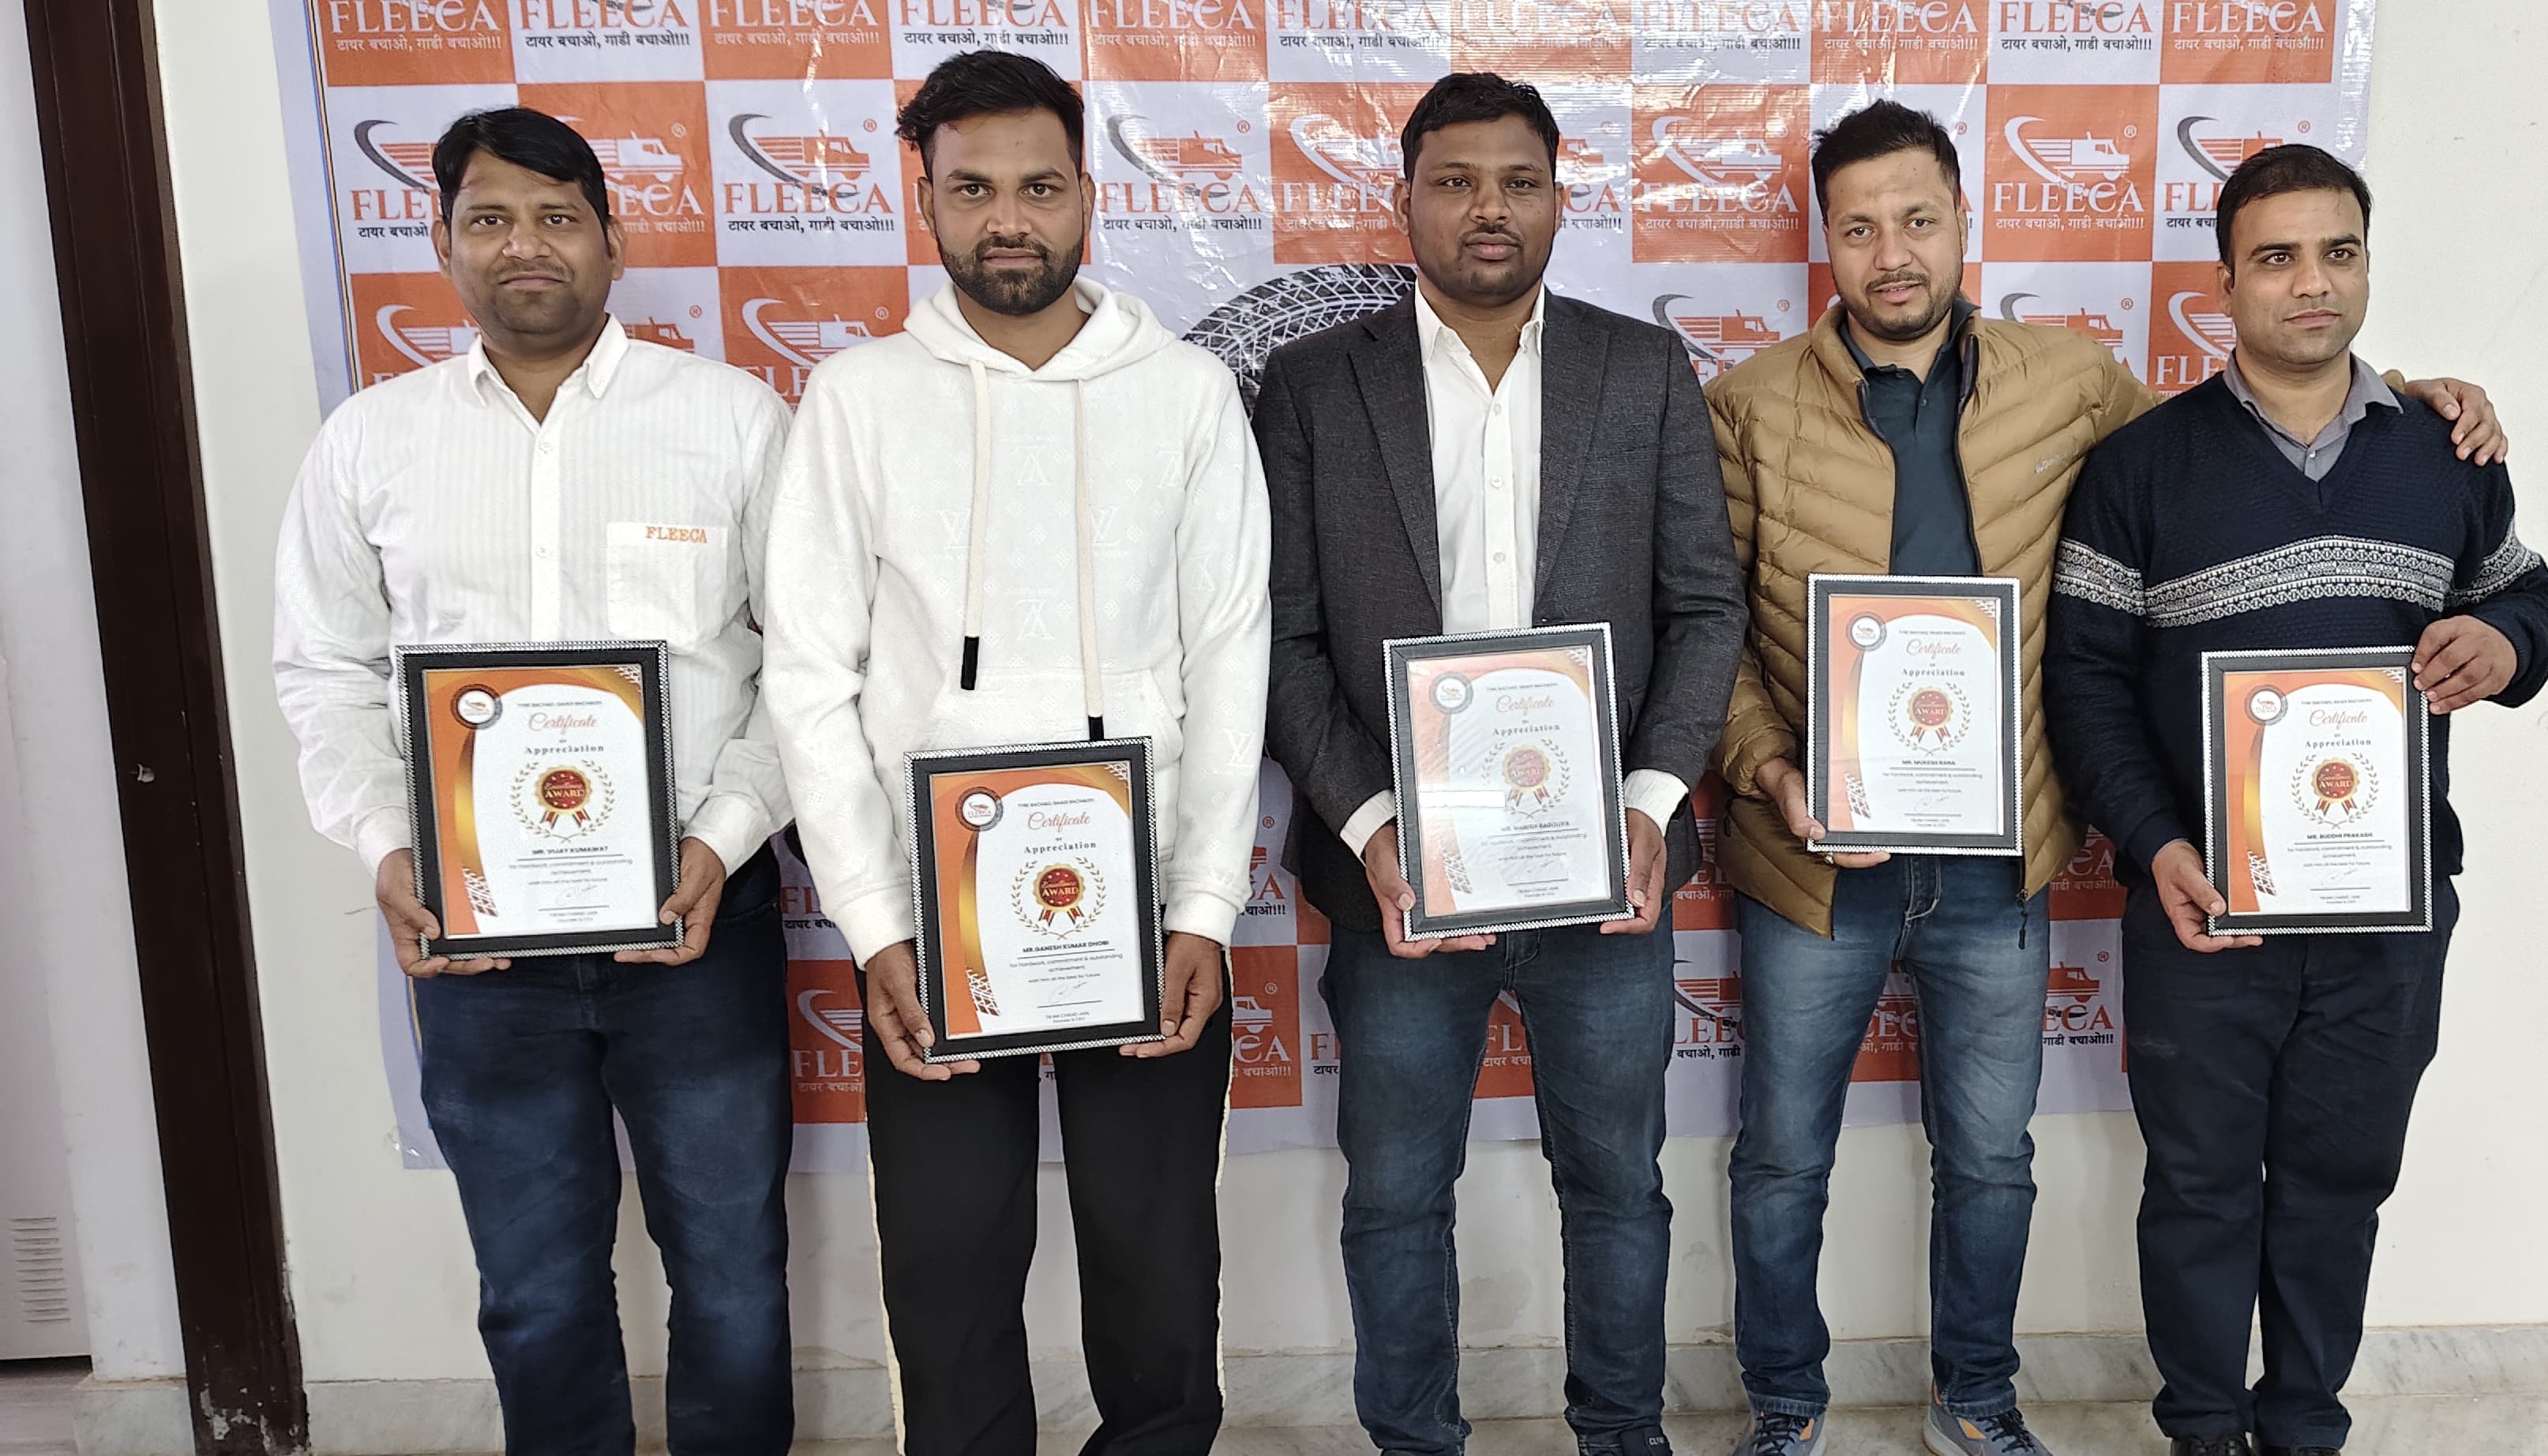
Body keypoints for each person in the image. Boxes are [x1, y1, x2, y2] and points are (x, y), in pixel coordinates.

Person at [1703, 103, 2512, 1456]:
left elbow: (2258, 425)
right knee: (1783, 1158)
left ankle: (1976, 1401)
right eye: (1860, 227)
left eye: (1919, 220)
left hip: (2004, 857)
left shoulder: (2076, 385)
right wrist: (1769, 767)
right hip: (1811, 860)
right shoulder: (1745, 405)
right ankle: (1786, 1407)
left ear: (1964, 224)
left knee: (1992, 1160)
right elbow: (1709, 626)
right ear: (1825, 243)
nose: (1893, 253)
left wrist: (2416, 398)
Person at [758, 49, 1268, 1456]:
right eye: (972, 189)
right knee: (947, 1266)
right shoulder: (857, 398)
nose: (1009, 220)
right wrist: (875, 923)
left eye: (1040, 188)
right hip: (936, 916)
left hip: (1145, 906)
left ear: (1090, 195)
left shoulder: (1187, 395)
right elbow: (809, 677)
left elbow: (1232, 658)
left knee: (1158, 1261)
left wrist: (1204, 905)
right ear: (922, 200)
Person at [271, 107, 797, 1454]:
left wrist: (725, 838)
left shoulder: (733, 421)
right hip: (480, 945)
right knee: (535, 1286)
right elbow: (324, 670)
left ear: (613, 243)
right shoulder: (371, 443)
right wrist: (388, 845)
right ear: (441, 242)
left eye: (558, 217)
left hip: (698, 918)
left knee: (732, 1273)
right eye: (490, 219)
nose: (526, 246)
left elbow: (810, 665)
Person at [1254, 72, 1747, 1456]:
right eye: (1456, 181)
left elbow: (1706, 607)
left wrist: (1649, 805)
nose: (1489, 207)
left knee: (1619, 1186)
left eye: (1518, 182)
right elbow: (1281, 634)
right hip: (1396, 882)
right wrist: (1370, 827)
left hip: (1607, 875)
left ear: (1559, 201)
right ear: (1403, 198)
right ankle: (1416, 1441)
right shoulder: (1314, 385)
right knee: (1398, 1195)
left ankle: (1622, 1435)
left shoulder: (1641, 369)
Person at [2044, 143, 2548, 1456]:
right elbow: (2086, 688)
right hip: (2205, 909)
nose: (2311, 283)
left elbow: (2523, 599)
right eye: (2275, 258)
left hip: (2390, 915)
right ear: (2223, 285)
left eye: (2339, 252)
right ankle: (2202, 1429)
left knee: (2342, 1184)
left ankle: (2305, 1425)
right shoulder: (2141, 466)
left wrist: (2504, 645)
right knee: (2201, 1188)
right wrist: (2155, 845)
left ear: (2368, 265)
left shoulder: (2448, 452)